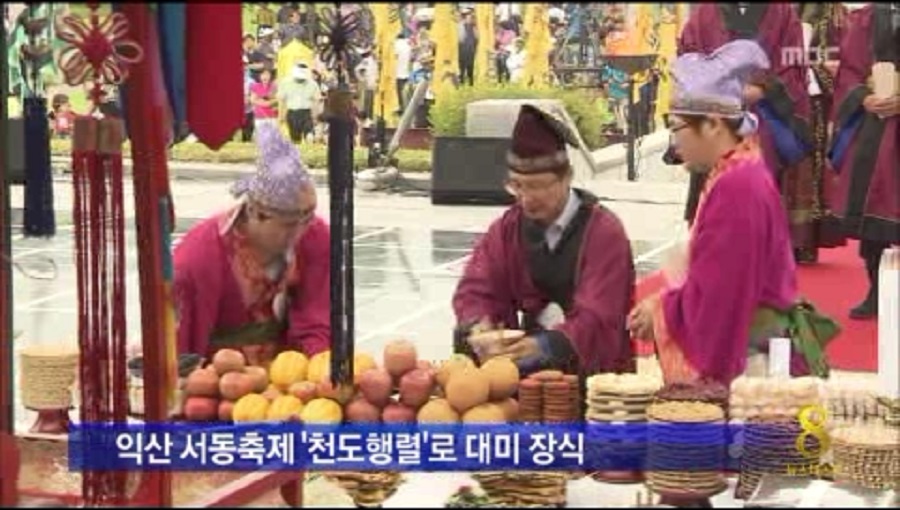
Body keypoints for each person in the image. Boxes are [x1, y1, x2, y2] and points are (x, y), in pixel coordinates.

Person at [629, 40, 836, 387]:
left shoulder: (737, 188)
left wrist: (662, 311)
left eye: (677, 128)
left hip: (752, 369)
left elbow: (721, 301)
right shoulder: (738, 171)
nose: (675, 144)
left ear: (712, 124)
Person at [452, 104, 636, 377]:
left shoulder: (604, 232)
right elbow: (476, 288)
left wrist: (542, 346)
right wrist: (480, 326)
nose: (526, 198)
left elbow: (599, 317)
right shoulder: (507, 228)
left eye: (537, 186)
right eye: (517, 185)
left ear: (567, 178)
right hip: (525, 378)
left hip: (596, 381)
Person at [174, 124, 330, 363]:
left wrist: (318, 368)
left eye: (307, 219)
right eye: (288, 224)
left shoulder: (315, 235)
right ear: (255, 212)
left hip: (290, 379)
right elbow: (183, 344)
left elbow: (317, 318)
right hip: (218, 377)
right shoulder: (199, 256)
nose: (300, 232)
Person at [678, 4, 816, 265]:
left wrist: (762, 88)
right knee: (712, 189)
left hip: (764, 116)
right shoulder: (706, 12)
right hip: (714, 116)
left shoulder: (782, 12)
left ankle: (760, 262)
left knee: (758, 189)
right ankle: (713, 260)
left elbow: (794, 62)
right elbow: (687, 54)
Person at [829, 3, 900, 320]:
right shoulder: (867, 18)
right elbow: (850, 69)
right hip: (876, 126)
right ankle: (877, 289)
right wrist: (863, 98)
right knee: (874, 209)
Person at [279, 63, 320, 143]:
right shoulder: (285, 82)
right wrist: (281, 115)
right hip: (292, 113)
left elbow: (316, 101)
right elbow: (282, 100)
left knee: (310, 135)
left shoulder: (313, 84)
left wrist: (315, 116)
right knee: (295, 139)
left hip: (306, 113)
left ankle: (310, 149)